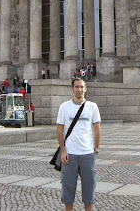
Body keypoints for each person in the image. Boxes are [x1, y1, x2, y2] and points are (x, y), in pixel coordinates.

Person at [56, 78, 101, 211]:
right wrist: (63, 151)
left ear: (85, 89)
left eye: (81, 87)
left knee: (89, 190)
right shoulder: (64, 107)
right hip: (70, 155)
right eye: (76, 87)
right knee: (68, 189)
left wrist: (96, 149)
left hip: (87, 154)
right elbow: (59, 129)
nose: (79, 89)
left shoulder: (92, 107)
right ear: (72, 89)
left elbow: (97, 129)